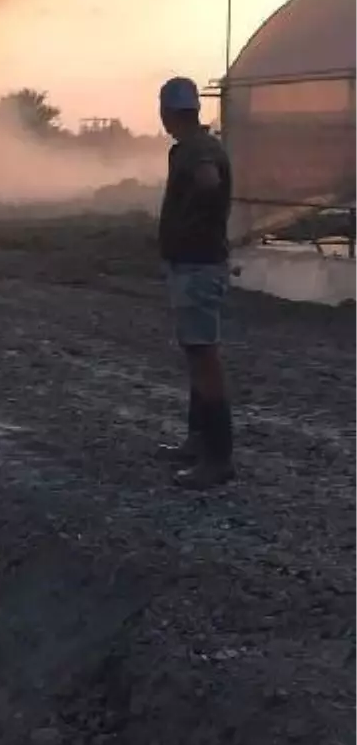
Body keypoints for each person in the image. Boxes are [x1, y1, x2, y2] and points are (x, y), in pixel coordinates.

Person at [157, 77, 234, 489]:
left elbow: (208, 182)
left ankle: (218, 458)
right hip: (192, 263)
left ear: (167, 113)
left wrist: (193, 228)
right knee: (195, 352)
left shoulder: (198, 150)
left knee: (204, 357)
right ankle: (198, 440)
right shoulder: (194, 147)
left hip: (198, 265)